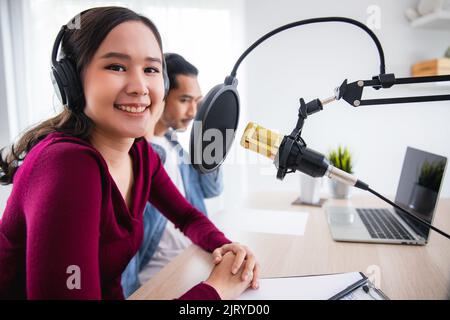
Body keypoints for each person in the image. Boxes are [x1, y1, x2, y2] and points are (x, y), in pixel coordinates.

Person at [0, 6, 259, 300]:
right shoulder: (67, 166)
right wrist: (215, 291)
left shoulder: (140, 154)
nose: (140, 87)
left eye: (150, 69)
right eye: (116, 67)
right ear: (70, 81)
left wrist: (225, 247)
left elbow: (187, 217)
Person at [121, 53, 225, 297]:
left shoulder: (175, 147)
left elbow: (212, 190)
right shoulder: (137, 152)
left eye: (198, 102)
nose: (193, 111)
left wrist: (213, 138)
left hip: (193, 256)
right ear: (161, 95)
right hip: (157, 275)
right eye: (185, 100)